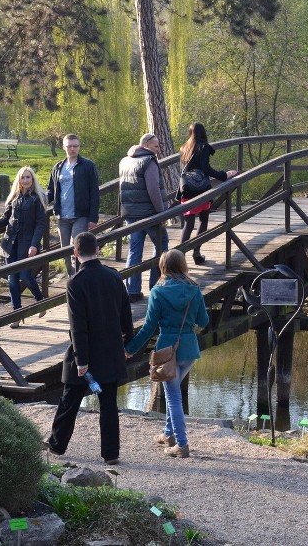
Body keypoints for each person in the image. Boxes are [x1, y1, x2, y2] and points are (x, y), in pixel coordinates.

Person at [44, 232, 133, 465]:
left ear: (75, 253)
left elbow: (78, 325)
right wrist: (128, 343)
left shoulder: (76, 282)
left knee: (69, 399)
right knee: (108, 404)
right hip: (111, 350)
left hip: (86, 352)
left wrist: (81, 360)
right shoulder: (115, 277)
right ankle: (111, 453)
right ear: (98, 250)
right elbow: (126, 315)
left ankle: (57, 444)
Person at [124, 249, 209, 458]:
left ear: (163, 267)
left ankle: (182, 444)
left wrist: (130, 349)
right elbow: (204, 321)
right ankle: (168, 434)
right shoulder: (194, 290)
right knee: (175, 392)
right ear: (183, 265)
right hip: (188, 349)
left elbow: (148, 327)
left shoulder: (158, 292)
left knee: (173, 397)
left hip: (166, 351)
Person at [0, 166, 47, 328]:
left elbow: (40, 224)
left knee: (26, 276)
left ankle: (41, 301)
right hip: (10, 243)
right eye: (22, 178)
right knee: (12, 279)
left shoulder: (38, 198)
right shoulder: (14, 197)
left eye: (28, 177)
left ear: (33, 179)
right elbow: (6, 218)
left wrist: (34, 245)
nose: (25, 180)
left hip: (27, 243)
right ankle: (16, 314)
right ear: (19, 180)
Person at [177, 122, 237, 265]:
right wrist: (224, 175)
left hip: (187, 188)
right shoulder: (203, 147)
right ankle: (196, 253)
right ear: (203, 133)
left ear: (190, 132)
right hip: (201, 189)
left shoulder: (184, 147)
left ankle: (179, 258)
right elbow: (205, 168)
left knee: (188, 224)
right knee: (203, 220)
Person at [119, 133, 169, 302]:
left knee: (134, 250)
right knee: (162, 245)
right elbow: (153, 189)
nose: (158, 149)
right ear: (146, 145)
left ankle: (132, 290)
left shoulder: (125, 161)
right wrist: (161, 213)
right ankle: (156, 285)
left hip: (131, 214)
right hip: (149, 214)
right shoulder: (149, 161)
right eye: (156, 146)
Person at [47, 134, 100, 277]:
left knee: (77, 247)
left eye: (75, 146)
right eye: (69, 146)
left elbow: (94, 192)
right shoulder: (58, 167)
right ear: (64, 147)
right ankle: (72, 277)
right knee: (65, 250)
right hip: (62, 215)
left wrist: (93, 217)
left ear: (79, 147)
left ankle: (80, 277)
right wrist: (40, 201)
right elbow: (51, 190)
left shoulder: (88, 166)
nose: (72, 149)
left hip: (81, 215)